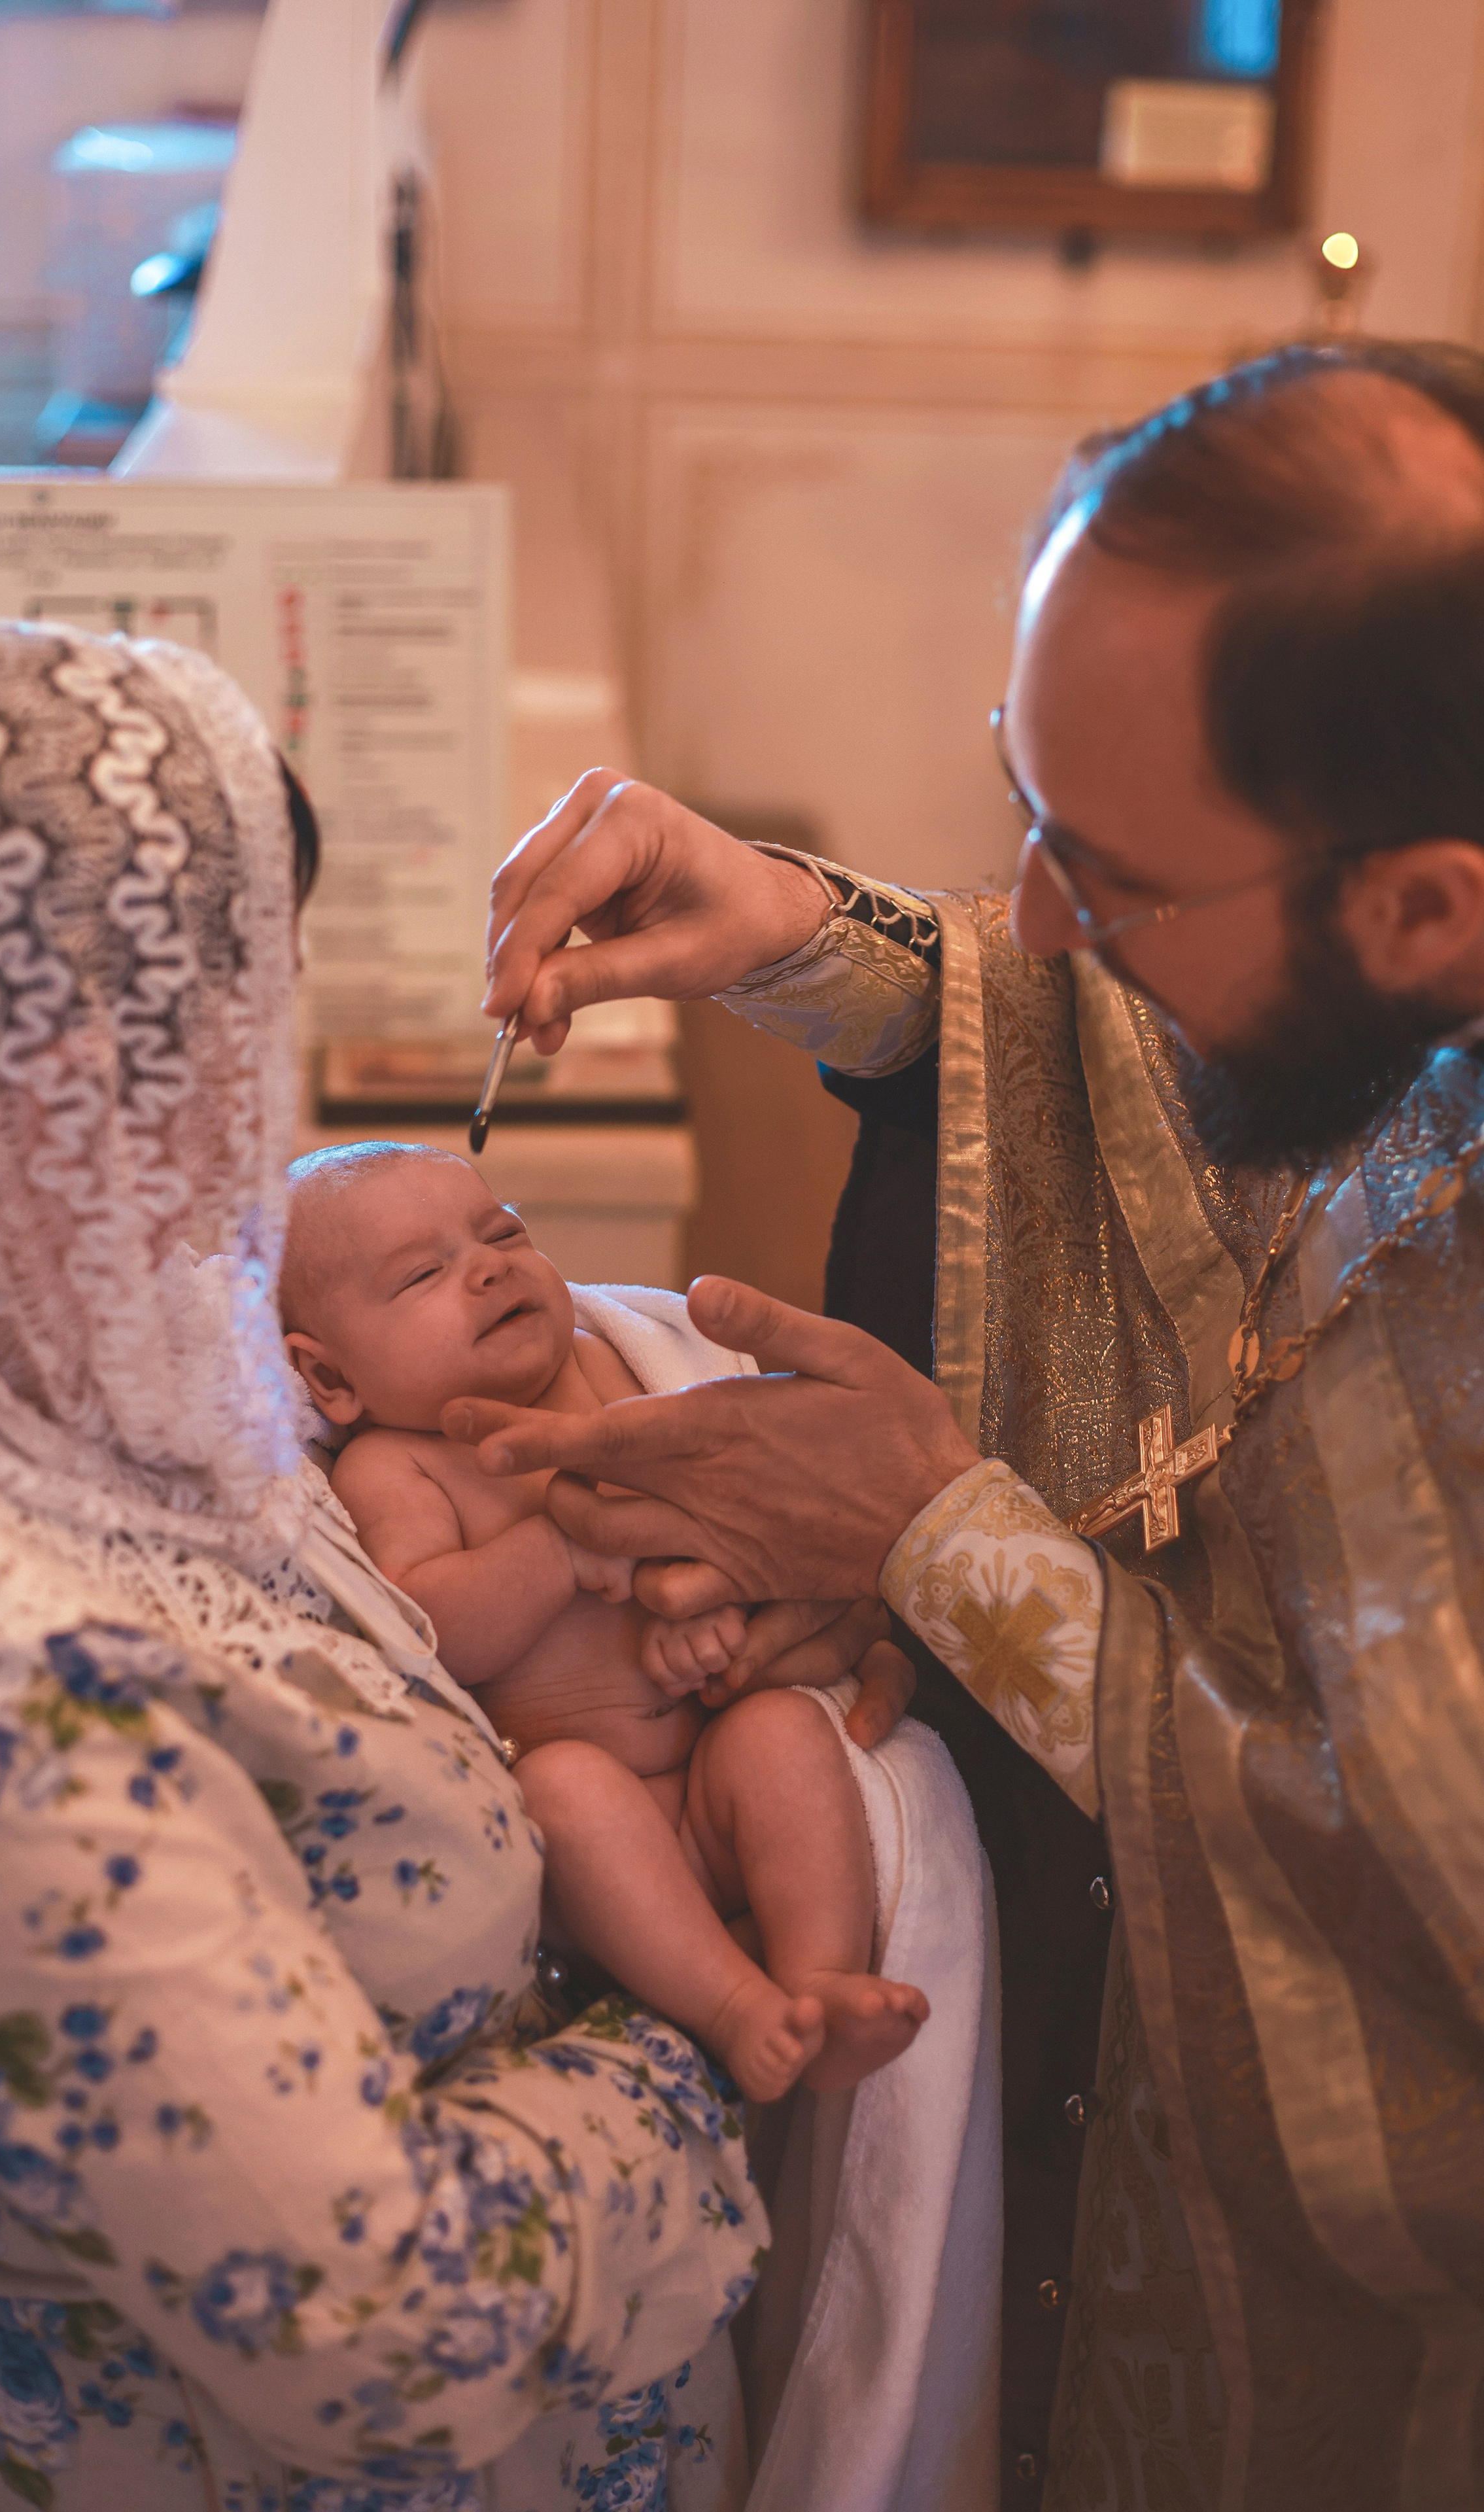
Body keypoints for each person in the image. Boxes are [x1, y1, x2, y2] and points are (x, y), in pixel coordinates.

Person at [441, 336, 1484, 2512]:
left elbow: (1408, 1901)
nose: (1034, 931)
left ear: (1426, 909)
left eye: (1103, 879)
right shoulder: (1380, 943)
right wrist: (822, 945)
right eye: (1022, 810)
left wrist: (938, 1541)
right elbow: (1193, 1063)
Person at [0, 617, 797, 2512]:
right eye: (250, 1007)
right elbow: (385, 2339)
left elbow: (424, 1553)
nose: (261, 1086)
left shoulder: (109, 1371)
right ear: (84, 1059)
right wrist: (680, 2038)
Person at [279, 1139, 929, 2104]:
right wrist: (557, 1553)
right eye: (424, 1272)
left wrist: (711, 1607)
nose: (490, 1264)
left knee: (782, 1730)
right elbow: (426, 1629)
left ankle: (818, 1979)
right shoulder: (399, 1465)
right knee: (565, 1786)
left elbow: (728, 1510)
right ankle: (732, 2010)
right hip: (600, 1862)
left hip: (711, 1776)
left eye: (503, 1231)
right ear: (332, 1381)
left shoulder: (608, 1373)